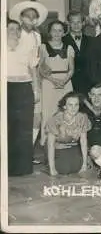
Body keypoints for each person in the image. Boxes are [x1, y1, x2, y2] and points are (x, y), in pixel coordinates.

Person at [7, 19, 40, 176]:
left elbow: (33, 70)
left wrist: (36, 90)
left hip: (24, 89)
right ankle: (7, 167)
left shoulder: (27, 47)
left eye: (16, 29)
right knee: (8, 127)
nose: (13, 31)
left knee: (24, 128)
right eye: (10, 28)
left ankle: (23, 168)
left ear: (20, 32)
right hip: (6, 88)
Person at [39, 21, 75, 145]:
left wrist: (64, 81)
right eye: (54, 30)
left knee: (66, 110)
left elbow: (71, 69)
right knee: (48, 111)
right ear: (49, 32)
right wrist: (54, 80)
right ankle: (46, 140)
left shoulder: (69, 48)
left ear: (64, 32)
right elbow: (40, 68)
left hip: (66, 83)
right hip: (49, 83)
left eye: (60, 30)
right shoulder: (43, 47)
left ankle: (65, 139)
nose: (57, 33)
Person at [46, 92, 91, 176]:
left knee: (76, 167)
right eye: (70, 105)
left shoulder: (82, 118)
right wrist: (52, 169)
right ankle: (49, 162)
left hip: (72, 145)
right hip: (57, 146)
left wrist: (84, 164)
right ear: (64, 106)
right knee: (64, 169)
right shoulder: (55, 119)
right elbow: (50, 144)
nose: (73, 108)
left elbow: (84, 141)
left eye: (76, 105)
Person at [63, 12, 91, 94]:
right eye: (73, 22)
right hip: (68, 83)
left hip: (87, 84)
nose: (76, 25)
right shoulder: (62, 40)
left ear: (83, 23)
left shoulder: (91, 40)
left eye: (78, 22)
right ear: (68, 23)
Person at [81, 83, 101, 149]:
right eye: (93, 94)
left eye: (100, 95)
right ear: (89, 95)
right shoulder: (83, 110)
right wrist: (91, 109)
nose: (96, 98)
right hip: (89, 148)